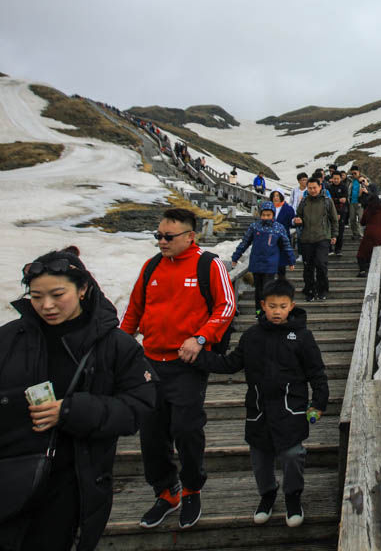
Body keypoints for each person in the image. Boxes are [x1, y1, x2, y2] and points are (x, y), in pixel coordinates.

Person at [0, 247, 155, 551]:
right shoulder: (2, 341)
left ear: (83, 288)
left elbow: (139, 406)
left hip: (65, 490)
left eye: (58, 294)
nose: (47, 306)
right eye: (36, 296)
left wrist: (72, 411)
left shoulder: (116, 347)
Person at [119, 208, 237, 530]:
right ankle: (165, 491)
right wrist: (120, 347)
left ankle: (191, 487)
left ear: (190, 236)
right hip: (149, 363)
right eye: (158, 235)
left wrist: (200, 338)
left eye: (168, 237)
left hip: (186, 364)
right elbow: (134, 310)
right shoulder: (151, 266)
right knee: (152, 435)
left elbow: (226, 305)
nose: (161, 241)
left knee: (186, 430)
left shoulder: (208, 264)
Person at [195, 279, 328, 528]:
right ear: (263, 305)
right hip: (258, 409)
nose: (277, 311)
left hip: (291, 409)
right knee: (259, 458)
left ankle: (292, 496)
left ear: (291, 306)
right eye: (272, 305)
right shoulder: (252, 336)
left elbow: (317, 372)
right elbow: (231, 363)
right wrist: (199, 357)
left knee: (292, 454)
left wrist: (318, 403)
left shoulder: (302, 337)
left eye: (283, 306)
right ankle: (267, 494)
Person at [232, 201, 296, 311]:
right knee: (258, 289)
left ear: (273, 215)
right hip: (256, 263)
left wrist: (291, 261)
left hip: (270, 264)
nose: (266, 217)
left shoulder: (278, 228)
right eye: (263, 215)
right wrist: (235, 257)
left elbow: (286, 245)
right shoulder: (255, 227)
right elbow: (245, 242)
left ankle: (267, 311)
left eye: (268, 215)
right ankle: (258, 311)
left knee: (267, 288)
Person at [292, 177, 338, 301]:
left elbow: (334, 219)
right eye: (310, 188)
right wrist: (297, 221)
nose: (312, 190)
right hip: (306, 238)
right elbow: (298, 216)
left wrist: (334, 235)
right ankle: (310, 290)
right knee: (308, 267)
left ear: (320, 187)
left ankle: (322, 289)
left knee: (321, 264)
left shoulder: (327, 201)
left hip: (322, 237)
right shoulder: (304, 201)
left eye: (314, 188)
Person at [357, 193, 381, 277]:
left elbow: (362, 223)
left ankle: (362, 270)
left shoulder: (368, 210)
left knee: (362, 252)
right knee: (376, 246)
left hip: (369, 235)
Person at [325, 171, 350, 257]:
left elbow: (344, 200)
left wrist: (338, 212)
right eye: (334, 178)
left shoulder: (344, 187)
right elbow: (329, 200)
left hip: (342, 212)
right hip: (330, 212)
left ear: (340, 178)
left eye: (337, 178)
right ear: (332, 179)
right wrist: (337, 200)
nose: (336, 180)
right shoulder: (329, 187)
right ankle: (329, 248)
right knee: (329, 229)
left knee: (340, 231)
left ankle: (338, 249)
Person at [348, 166, 363, 240]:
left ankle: (362, 234)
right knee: (352, 219)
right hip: (352, 202)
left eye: (355, 173)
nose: (353, 175)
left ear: (358, 172)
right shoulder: (350, 181)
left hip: (360, 203)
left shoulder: (363, 180)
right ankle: (355, 233)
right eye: (352, 173)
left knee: (361, 219)